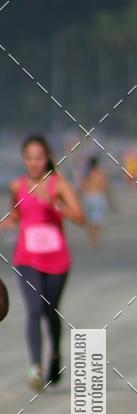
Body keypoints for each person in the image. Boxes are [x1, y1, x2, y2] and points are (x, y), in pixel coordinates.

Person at [2, 135, 84, 389]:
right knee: (34, 309)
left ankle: (55, 354)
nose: (34, 163)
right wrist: (8, 222)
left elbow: (80, 217)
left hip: (57, 259)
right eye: (29, 158)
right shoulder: (17, 185)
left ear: (47, 157)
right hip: (27, 258)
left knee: (50, 312)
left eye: (38, 157)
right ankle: (35, 367)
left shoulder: (58, 185)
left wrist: (57, 206)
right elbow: (15, 213)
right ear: (24, 159)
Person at [81, 157, 112, 247]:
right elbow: (106, 187)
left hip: (89, 198)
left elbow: (82, 186)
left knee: (90, 221)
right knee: (97, 221)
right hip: (99, 198)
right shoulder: (101, 173)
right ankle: (96, 239)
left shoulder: (86, 173)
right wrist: (111, 201)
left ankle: (93, 239)